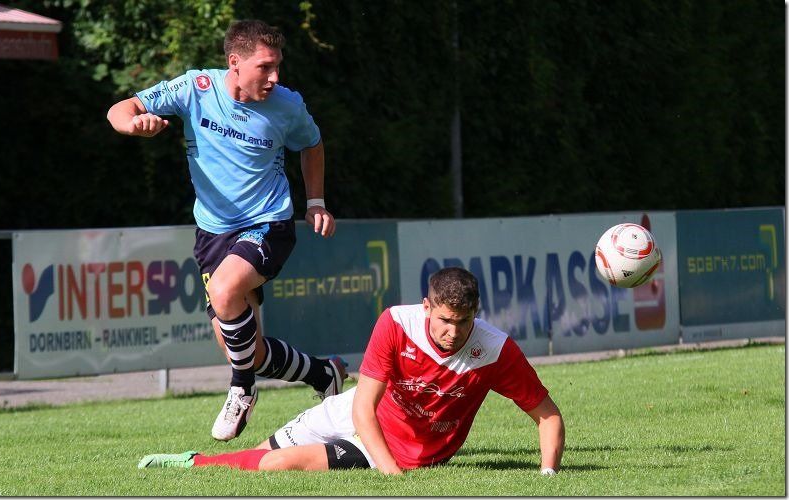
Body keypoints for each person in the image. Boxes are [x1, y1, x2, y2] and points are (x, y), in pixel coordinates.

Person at [107, 19, 346, 442]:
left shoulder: (287, 105)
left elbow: (311, 143)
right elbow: (120, 109)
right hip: (213, 234)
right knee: (246, 350)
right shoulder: (195, 88)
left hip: (268, 223)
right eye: (265, 67)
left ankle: (242, 391)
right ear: (234, 62)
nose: (275, 78)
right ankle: (323, 373)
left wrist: (315, 202)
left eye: (278, 66)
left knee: (224, 293)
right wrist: (132, 125)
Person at [138, 267, 565, 475]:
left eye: (464, 322)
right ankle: (198, 463)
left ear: (476, 313)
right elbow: (363, 406)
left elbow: (548, 416)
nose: (453, 333)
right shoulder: (396, 323)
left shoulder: (495, 350)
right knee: (262, 452)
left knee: (276, 465)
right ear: (427, 307)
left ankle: (194, 464)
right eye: (445, 321)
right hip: (357, 410)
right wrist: (394, 478)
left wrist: (548, 475)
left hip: (398, 449)